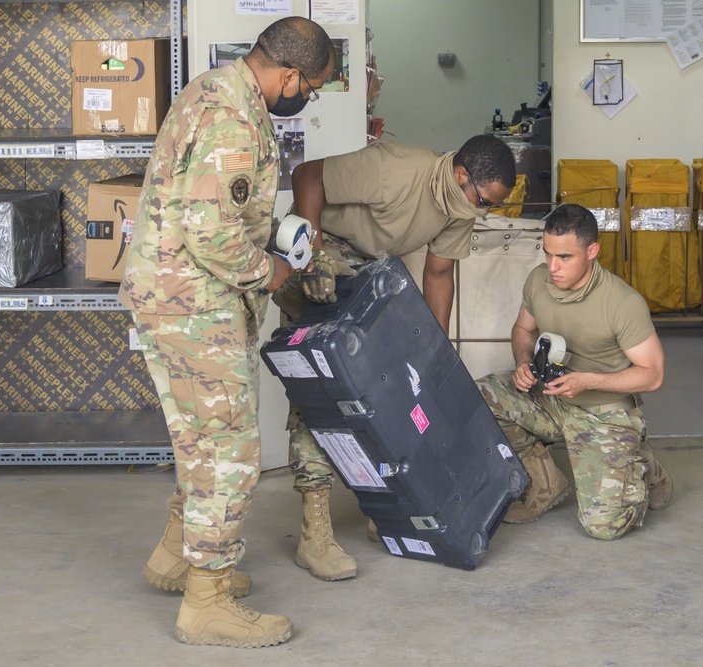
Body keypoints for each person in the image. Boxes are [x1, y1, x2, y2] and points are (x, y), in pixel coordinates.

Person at [118, 17, 334, 648]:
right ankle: (205, 601)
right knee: (228, 448)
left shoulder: (216, 91)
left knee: (199, 438)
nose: (306, 99)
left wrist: (275, 232)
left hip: (180, 296)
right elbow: (212, 233)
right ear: (290, 74)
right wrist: (268, 269)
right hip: (192, 304)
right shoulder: (233, 118)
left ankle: (175, 556)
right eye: (311, 88)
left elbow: (218, 208)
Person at [270, 135, 516, 581]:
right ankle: (315, 532)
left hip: (371, 267)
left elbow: (440, 274)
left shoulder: (459, 207)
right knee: (326, 391)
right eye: (486, 202)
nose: (487, 213)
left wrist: (432, 353)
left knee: (393, 392)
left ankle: (390, 509)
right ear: (462, 177)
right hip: (318, 252)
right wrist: (314, 258)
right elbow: (308, 175)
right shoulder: (396, 171)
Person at [475, 203, 673, 539]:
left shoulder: (622, 303)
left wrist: (589, 381)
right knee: (480, 397)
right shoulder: (539, 280)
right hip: (553, 399)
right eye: (547, 253)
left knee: (604, 528)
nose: (552, 266)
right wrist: (523, 362)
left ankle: (640, 463)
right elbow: (523, 330)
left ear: (592, 251)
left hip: (603, 411)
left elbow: (653, 374)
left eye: (564, 257)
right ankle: (543, 483)